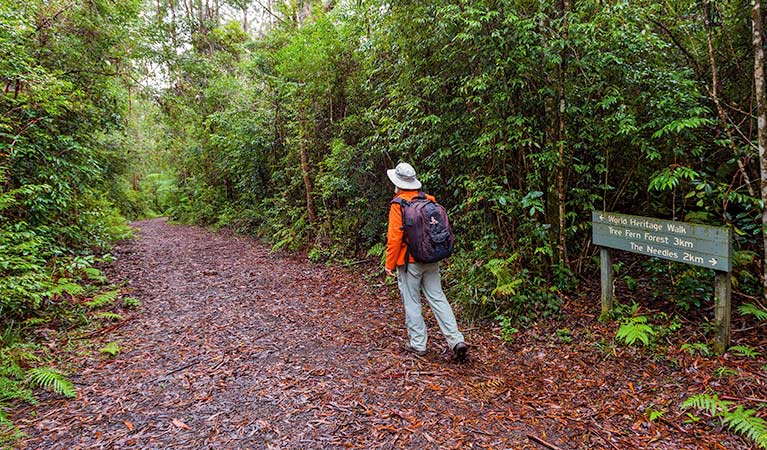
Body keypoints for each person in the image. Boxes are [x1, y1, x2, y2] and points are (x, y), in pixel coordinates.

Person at [384, 162, 468, 361]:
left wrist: (389, 264)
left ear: (397, 183)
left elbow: (394, 238)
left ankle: (418, 344)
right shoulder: (429, 200)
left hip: (409, 262)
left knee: (412, 302)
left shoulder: (398, 205)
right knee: (438, 297)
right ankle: (456, 340)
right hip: (432, 257)